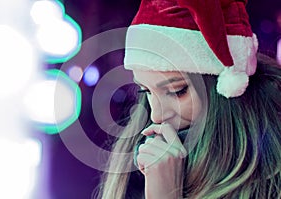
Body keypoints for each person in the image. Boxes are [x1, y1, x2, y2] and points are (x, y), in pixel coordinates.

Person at [97, 0, 281, 198]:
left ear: (226, 88)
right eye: (146, 91)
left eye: (177, 92)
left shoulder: (270, 176)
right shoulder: (135, 171)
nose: (157, 116)